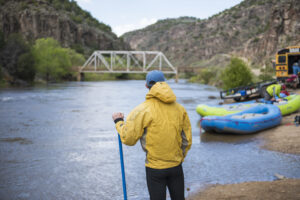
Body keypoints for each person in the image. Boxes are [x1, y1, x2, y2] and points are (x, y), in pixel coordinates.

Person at [112, 70, 192, 200]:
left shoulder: (141, 110)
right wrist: (178, 157)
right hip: (176, 167)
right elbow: (187, 140)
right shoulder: (180, 109)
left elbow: (128, 139)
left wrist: (118, 122)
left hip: (154, 169)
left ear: (146, 86)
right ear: (164, 83)